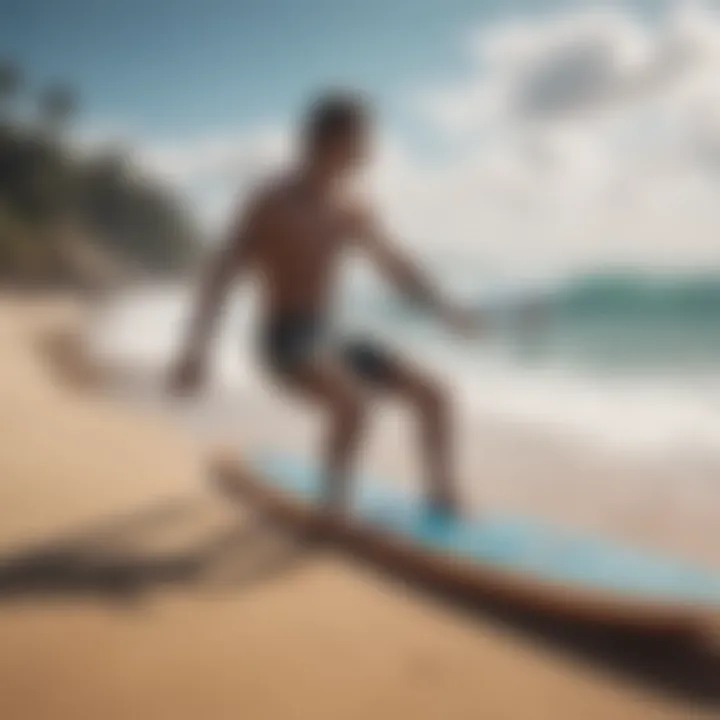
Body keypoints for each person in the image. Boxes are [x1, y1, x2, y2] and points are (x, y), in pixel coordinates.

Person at [170, 91, 479, 519]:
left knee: (435, 395)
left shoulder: (351, 207)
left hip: (331, 332)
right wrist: (195, 350)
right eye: (362, 140)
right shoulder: (270, 202)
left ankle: (442, 496)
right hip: (284, 339)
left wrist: (447, 309)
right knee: (353, 404)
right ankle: (332, 509)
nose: (369, 151)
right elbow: (220, 275)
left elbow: (396, 266)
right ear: (330, 141)